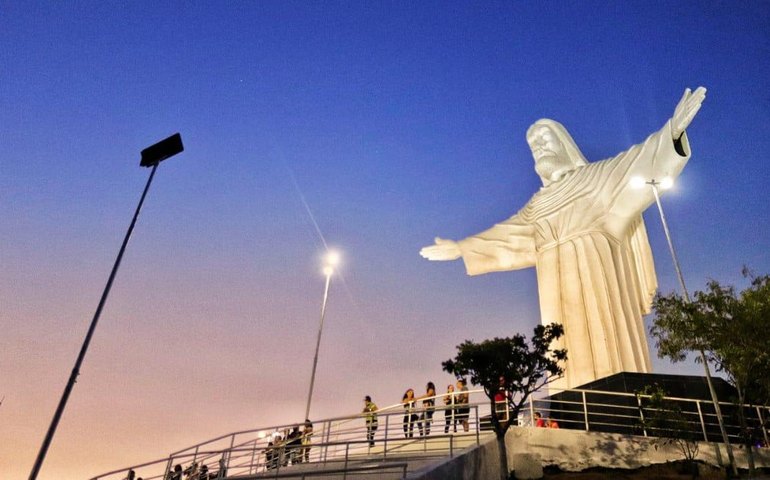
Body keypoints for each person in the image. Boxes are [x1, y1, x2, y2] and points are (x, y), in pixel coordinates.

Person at [421, 87, 707, 390]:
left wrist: (671, 133)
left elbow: (638, 161)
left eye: (544, 138)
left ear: (563, 143)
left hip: (599, 279)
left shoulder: (597, 178)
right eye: (533, 144)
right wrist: (462, 247)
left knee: (606, 342)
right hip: (555, 291)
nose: (539, 147)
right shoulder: (538, 206)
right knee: (562, 353)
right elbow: (507, 237)